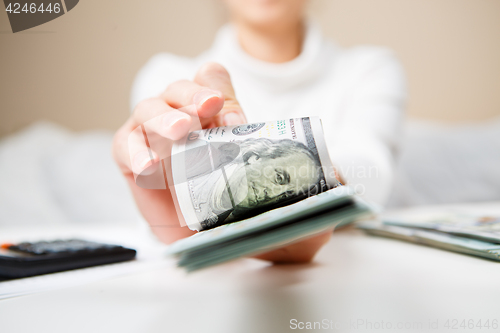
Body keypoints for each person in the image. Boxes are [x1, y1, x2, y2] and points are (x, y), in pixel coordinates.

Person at [112, 0, 406, 263]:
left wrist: (302, 206)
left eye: (283, 179)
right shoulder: (165, 76)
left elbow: (370, 170)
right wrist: (171, 217)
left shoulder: (369, 69)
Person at [183, 138, 322, 230]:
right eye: (279, 178)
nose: (274, 194)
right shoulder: (194, 158)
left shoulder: (227, 224)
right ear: (254, 157)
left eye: (287, 194)